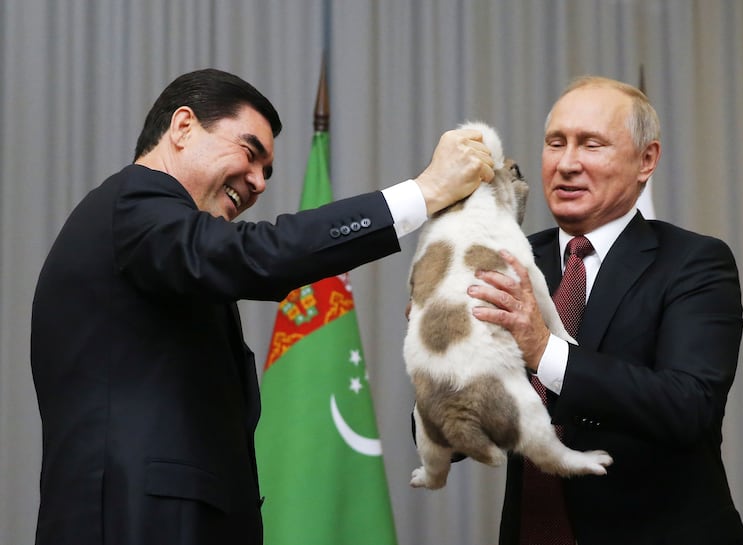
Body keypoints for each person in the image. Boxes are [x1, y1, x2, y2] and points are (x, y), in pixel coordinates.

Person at [30, 67, 494, 545]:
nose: (258, 183)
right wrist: (425, 193)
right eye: (250, 153)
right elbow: (256, 255)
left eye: (266, 172)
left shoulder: (163, 252)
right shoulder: (136, 201)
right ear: (183, 127)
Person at [468, 76, 743, 544]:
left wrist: (543, 350)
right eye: (555, 143)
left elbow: (688, 407)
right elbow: (460, 435)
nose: (567, 163)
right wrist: (442, 358)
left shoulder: (693, 262)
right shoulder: (508, 260)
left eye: (591, 144)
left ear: (647, 160)